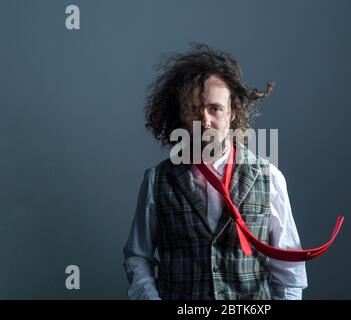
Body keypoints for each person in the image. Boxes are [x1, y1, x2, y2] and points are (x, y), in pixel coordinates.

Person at [123, 43, 307, 300]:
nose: (205, 120)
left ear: (232, 113)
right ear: (181, 116)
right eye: (194, 110)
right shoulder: (157, 180)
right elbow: (138, 257)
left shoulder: (270, 178)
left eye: (214, 109)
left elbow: (289, 270)